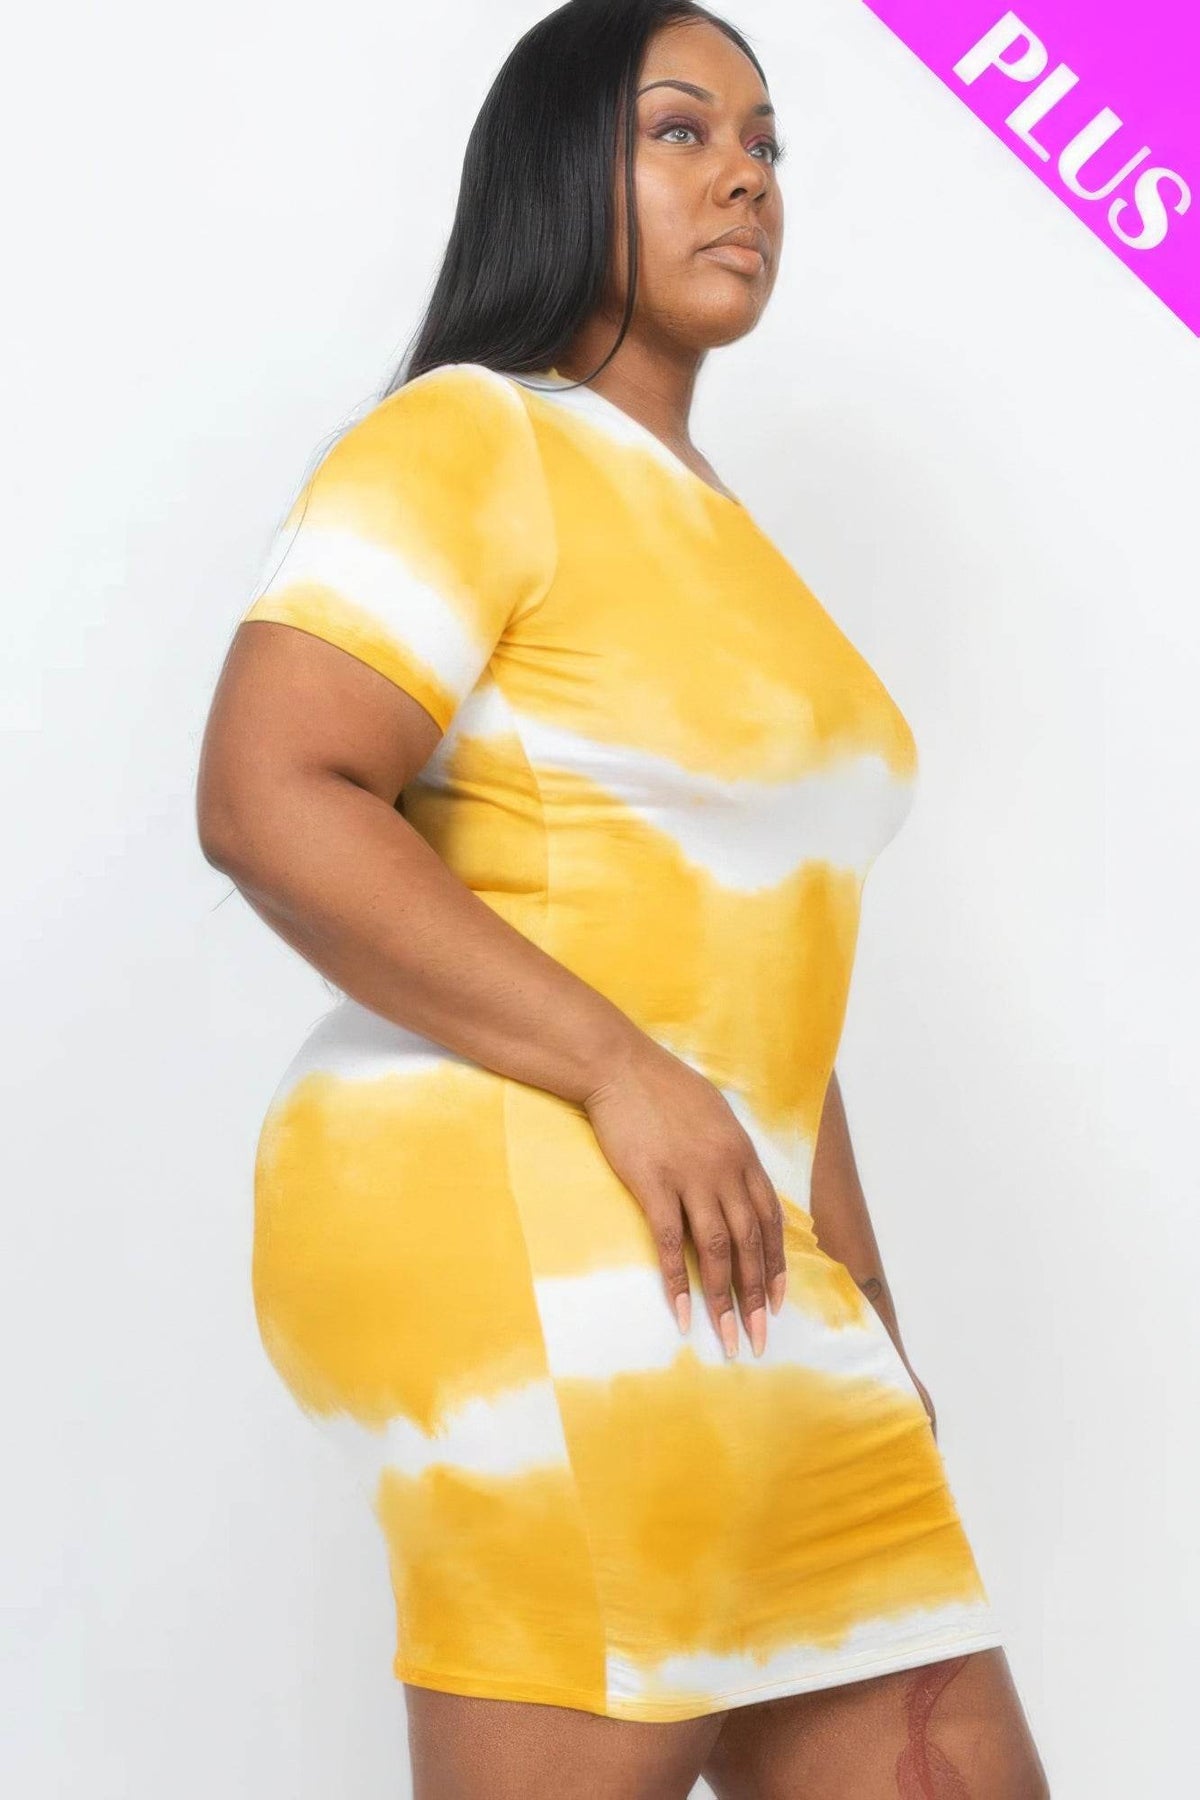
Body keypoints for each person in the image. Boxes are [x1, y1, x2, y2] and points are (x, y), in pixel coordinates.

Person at [196, 2, 1050, 1794]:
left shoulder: (716, 529)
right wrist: (619, 1067)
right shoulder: (473, 437)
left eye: (765, 142)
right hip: (533, 1194)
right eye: (680, 131)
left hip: (735, 1228)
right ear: (555, 168)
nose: (744, 175)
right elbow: (270, 790)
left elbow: (771, 968)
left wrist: (869, 1310)